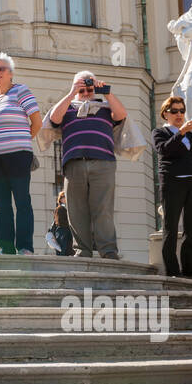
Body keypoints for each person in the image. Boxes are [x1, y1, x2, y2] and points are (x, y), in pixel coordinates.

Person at [48, 70, 127, 260]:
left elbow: (121, 114)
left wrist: (106, 91)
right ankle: (82, 250)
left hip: (103, 163)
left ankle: (108, 251)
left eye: (89, 89)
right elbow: (53, 118)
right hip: (74, 164)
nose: (85, 93)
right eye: (81, 89)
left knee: (103, 209)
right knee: (76, 210)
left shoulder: (105, 107)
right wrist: (71, 93)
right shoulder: (68, 108)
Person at [0, 55, 41, 255]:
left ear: (11, 73)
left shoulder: (20, 91)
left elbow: (37, 123)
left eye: (2, 69)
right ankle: (6, 247)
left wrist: (21, 141)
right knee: (1, 205)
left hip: (18, 155)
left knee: (22, 201)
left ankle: (25, 247)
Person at [153, 94, 192, 281]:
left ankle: (191, 270)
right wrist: (181, 133)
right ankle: (172, 270)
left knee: (191, 228)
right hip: (173, 181)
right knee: (170, 227)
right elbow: (165, 150)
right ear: (165, 114)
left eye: (182, 111)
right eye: (174, 111)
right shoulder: (160, 132)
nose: (179, 115)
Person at [45, 191, 73, 256]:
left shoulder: (70, 207)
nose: (65, 198)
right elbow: (56, 221)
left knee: (67, 249)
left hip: (68, 231)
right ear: (60, 199)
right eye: (63, 197)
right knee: (62, 250)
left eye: (65, 196)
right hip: (61, 231)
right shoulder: (59, 209)